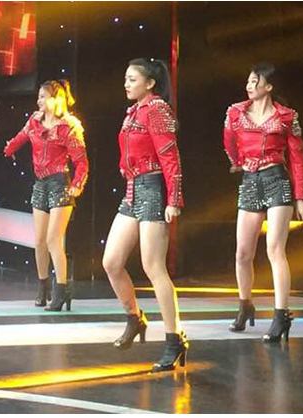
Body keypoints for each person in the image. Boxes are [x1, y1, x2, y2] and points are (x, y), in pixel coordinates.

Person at [101, 58, 187, 372]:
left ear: (150, 83)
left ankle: (174, 340)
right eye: (126, 78)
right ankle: (135, 318)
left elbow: (170, 157)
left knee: (153, 267)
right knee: (111, 262)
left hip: (153, 188)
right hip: (132, 189)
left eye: (132, 79)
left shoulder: (157, 110)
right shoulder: (134, 111)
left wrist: (173, 199)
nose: (126, 84)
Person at [223, 63, 303, 342]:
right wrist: (238, 161)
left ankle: (281, 316)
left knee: (275, 249)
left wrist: (301, 198)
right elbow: (228, 142)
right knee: (242, 253)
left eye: (255, 81)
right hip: (250, 180)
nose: (249, 86)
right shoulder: (235, 112)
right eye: (248, 81)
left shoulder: (286, 116)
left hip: (277, 179)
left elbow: (297, 158)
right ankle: (245, 305)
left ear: (269, 86)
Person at [4, 80, 88, 311]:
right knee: (39, 241)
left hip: (60, 183)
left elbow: (81, 161)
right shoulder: (34, 122)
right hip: (40, 184)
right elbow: (20, 138)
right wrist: (10, 148)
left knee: (53, 239)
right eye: (39, 96)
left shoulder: (68, 126)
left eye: (43, 96)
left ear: (56, 99)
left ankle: (62, 290)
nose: (39, 100)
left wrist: (77, 185)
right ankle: (44, 287)